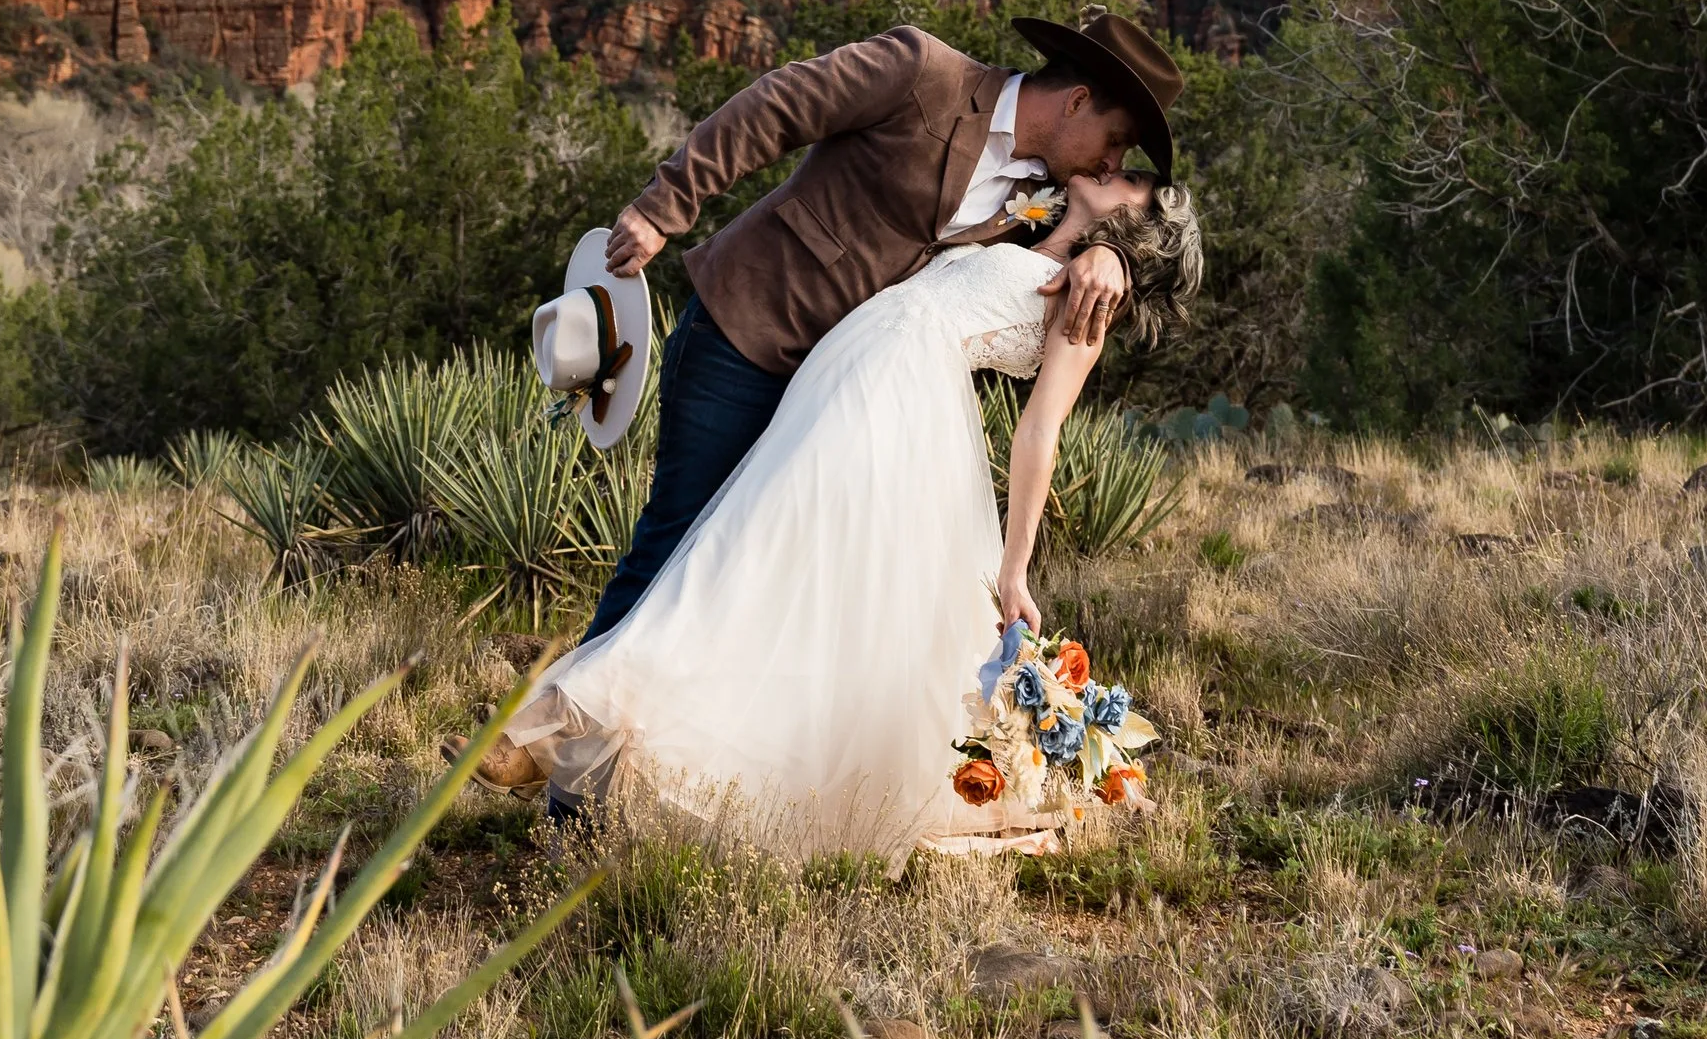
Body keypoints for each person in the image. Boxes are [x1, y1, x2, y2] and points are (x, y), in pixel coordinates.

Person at [497, 164, 1204, 857]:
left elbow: (1039, 432)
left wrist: (1015, 566)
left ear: (1140, 228)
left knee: (753, 547)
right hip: (842, 371)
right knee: (772, 562)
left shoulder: (1089, 305)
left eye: (1136, 182)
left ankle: (572, 718)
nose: (1118, 168)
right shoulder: (1026, 225)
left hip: (895, 401)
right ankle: (596, 731)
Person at [581, 5, 1184, 641]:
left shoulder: (1052, 194)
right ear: (1078, 100)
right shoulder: (922, 71)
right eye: (1115, 139)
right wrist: (666, 203)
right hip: (746, 332)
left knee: (756, 571)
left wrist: (1112, 252)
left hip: (837, 401)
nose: (1112, 164)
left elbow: (1100, 232)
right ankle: (570, 723)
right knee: (678, 537)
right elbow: (776, 104)